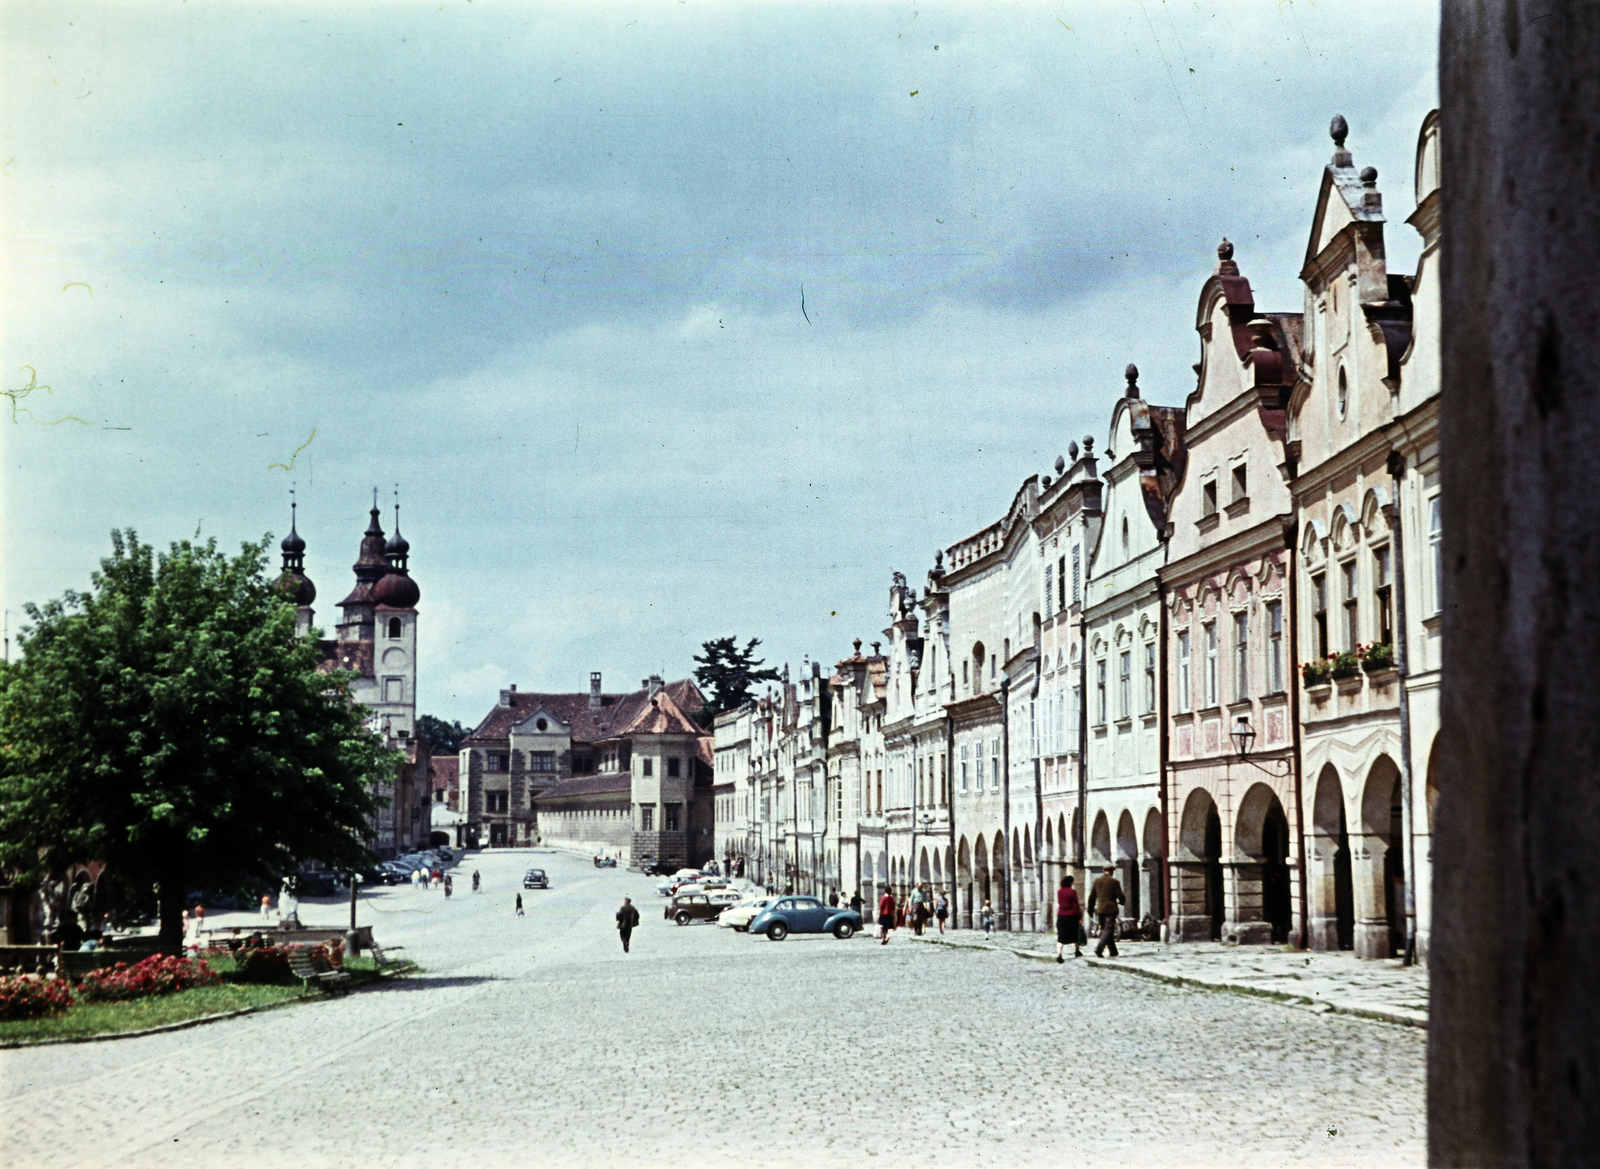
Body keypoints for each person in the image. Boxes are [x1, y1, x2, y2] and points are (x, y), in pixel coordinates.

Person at [1088, 864, 1124, 958]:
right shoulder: (1114, 881)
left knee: (1105, 929)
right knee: (1108, 930)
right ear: (1112, 871)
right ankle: (1099, 949)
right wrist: (1122, 901)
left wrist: (1090, 910)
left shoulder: (1097, 881)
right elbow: (1120, 895)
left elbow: (1092, 896)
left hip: (1100, 909)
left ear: (1104, 870)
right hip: (1110, 909)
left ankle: (1113, 951)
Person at [1055, 874, 1083, 962]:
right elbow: (1075, 905)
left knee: (1061, 936)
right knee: (1074, 934)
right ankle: (1077, 950)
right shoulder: (1072, 892)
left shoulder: (1059, 891)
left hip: (1061, 915)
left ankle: (1059, 954)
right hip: (1071, 916)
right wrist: (1080, 917)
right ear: (1070, 883)